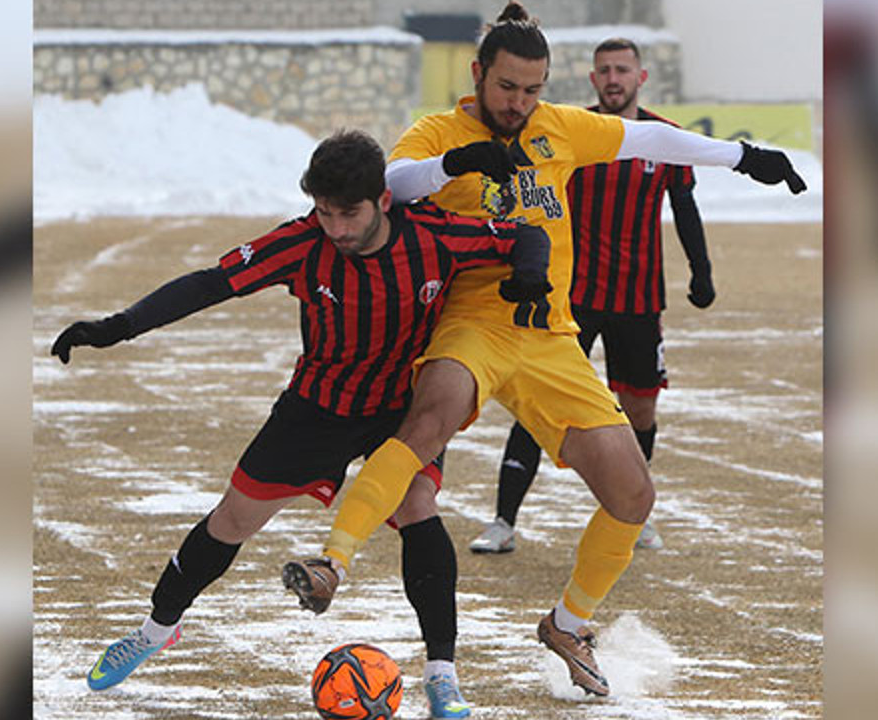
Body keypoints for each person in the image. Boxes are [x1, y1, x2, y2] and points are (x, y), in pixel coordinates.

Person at [282, 1, 806, 700]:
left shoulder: (560, 127)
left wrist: (744, 157)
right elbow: (395, 185)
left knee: (632, 494)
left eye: (533, 89)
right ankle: (332, 564)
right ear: (479, 75)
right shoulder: (440, 129)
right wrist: (454, 163)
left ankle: (567, 624)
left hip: (552, 337)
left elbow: (649, 142)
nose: (521, 104)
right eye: (507, 89)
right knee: (428, 420)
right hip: (472, 323)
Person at [51, 129, 550, 719]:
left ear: (383, 201)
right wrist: (119, 326)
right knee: (232, 520)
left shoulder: (433, 236)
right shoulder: (302, 243)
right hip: (317, 408)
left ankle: (442, 673)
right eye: (325, 211)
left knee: (418, 508)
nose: (335, 227)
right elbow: (212, 283)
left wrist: (530, 273)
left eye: (349, 213)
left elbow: (526, 233)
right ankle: (155, 630)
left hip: (400, 411)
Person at [469, 37, 714, 556]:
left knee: (640, 410)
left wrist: (701, 270)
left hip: (639, 298)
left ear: (640, 77)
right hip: (571, 298)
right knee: (538, 404)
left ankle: (633, 515)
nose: (612, 78)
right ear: (592, 79)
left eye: (622, 69)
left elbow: (686, 207)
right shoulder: (569, 135)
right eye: (603, 70)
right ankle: (503, 520)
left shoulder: (660, 139)